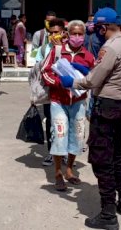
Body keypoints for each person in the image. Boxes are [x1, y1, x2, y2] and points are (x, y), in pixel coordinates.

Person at [58, 8, 121, 229]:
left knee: (102, 160)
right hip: (120, 106)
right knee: (117, 156)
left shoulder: (109, 47)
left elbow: (92, 81)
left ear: (103, 27)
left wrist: (71, 81)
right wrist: (86, 68)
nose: (97, 33)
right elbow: (107, 71)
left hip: (105, 109)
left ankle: (108, 215)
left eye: (98, 28)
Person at [41, 20, 95, 191]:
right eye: (74, 33)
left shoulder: (88, 56)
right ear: (67, 34)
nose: (77, 37)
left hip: (78, 102)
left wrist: (86, 81)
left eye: (80, 34)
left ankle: (69, 170)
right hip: (58, 100)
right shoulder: (57, 51)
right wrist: (59, 82)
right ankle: (58, 173)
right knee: (59, 135)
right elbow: (45, 72)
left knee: (77, 136)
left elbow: (94, 78)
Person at [32, 10, 58, 166]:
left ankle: (66, 154)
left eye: (54, 22)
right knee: (50, 121)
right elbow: (36, 61)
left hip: (64, 90)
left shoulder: (67, 44)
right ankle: (51, 152)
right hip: (48, 90)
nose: (51, 26)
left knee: (64, 122)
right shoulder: (40, 38)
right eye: (49, 22)